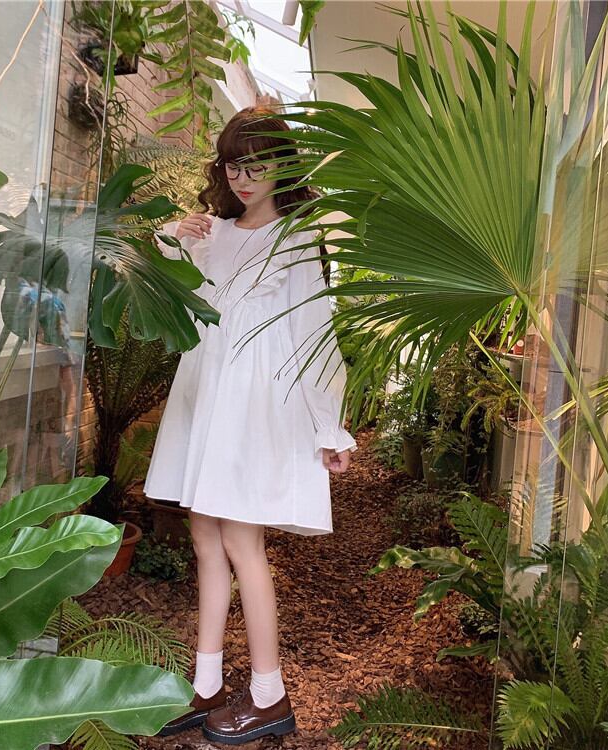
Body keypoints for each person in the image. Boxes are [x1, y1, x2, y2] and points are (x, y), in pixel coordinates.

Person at [143, 106, 357, 745]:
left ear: (282, 168)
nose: (243, 178)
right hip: (208, 389)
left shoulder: (296, 236)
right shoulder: (213, 231)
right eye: (235, 165)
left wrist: (329, 428)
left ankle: (270, 695)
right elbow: (165, 277)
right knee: (205, 536)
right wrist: (173, 233)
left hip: (254, 402)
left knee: (241, 540)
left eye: (257, 164)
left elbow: (314, 334)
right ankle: (206, 685)